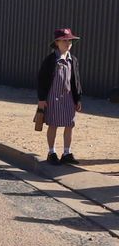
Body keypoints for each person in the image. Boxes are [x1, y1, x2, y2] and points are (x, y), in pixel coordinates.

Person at [37, 28, 83, 165]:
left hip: (68, 98)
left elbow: (75, 81)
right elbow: (41, 80)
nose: (68, 43)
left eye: (70, 41)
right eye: (64, 41)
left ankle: (67, 153)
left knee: (70, 124)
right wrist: (41, 99)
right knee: (53, 125)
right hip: (53, 97)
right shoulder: (50, 60)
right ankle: (51, 153)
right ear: (57, 42)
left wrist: (78, 99)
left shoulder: (73, 60)